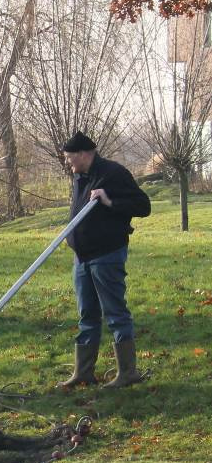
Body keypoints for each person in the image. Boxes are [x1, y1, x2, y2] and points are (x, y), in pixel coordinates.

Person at [58, 131, 152, 390]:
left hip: (107, 255)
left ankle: (127, 372)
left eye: (70, 158)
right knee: (87, 314)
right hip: (82, 258)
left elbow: (143, 206)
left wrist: (110, 201)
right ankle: (83, 372)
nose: (68, 162)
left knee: (115, 313)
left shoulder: (113, 173)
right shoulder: (80, 177)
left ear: (85, 154)